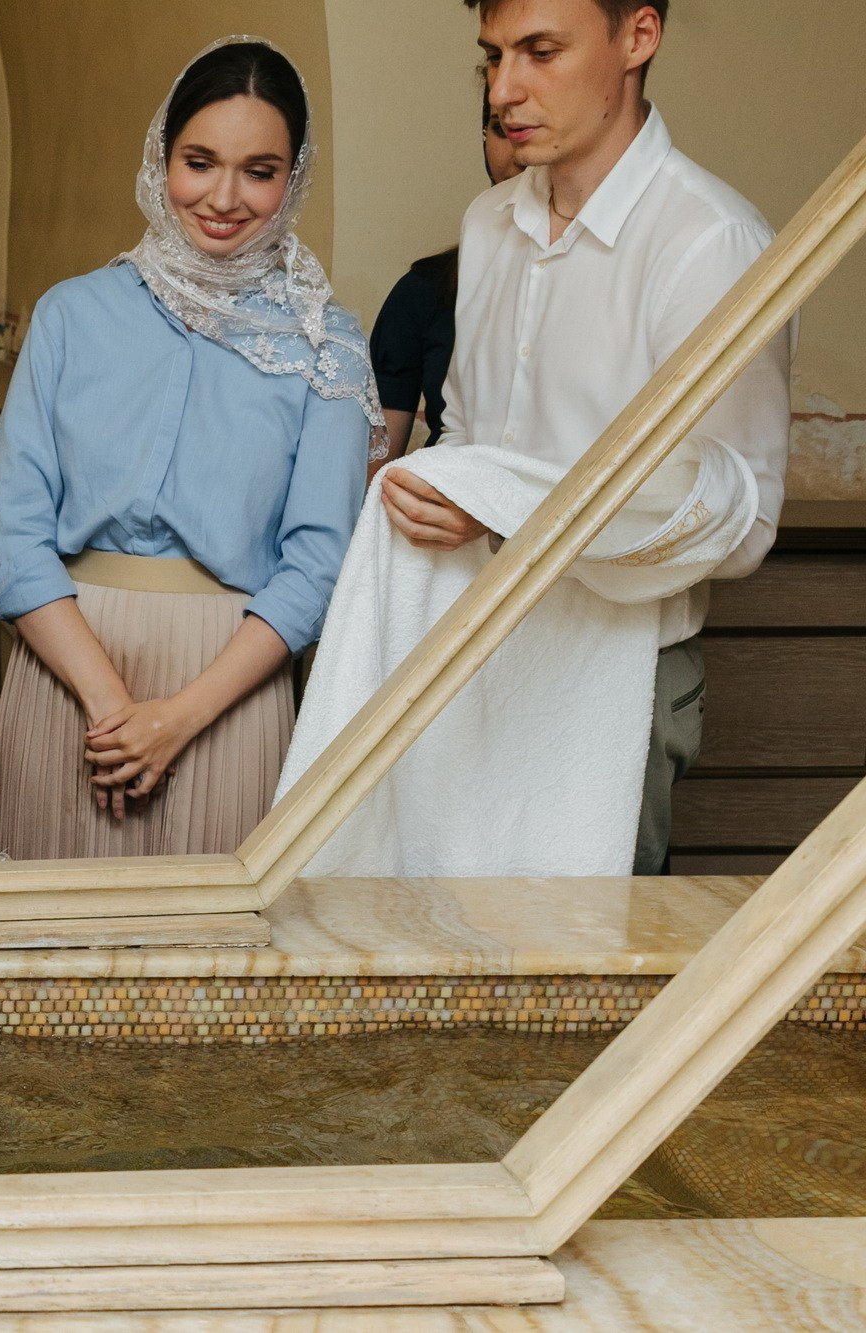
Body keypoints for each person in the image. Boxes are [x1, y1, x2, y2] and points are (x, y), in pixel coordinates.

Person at [285, 0, 789, 877]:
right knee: (434, 957)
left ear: (638, 37)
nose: (504, 90)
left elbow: (739, 517)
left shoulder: (712, 242)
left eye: (541, 51)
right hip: (470, 660)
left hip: (616, 681)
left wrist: (516, 511)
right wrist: (451, 487)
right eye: (492, 56)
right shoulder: (489, 227)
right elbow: (474, 434)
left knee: (579, 977)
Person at [0, 37, 380, 859]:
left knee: (211, 973)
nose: (224, 196)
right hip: (66, 673)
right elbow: (10, 536)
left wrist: (177, 718)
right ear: (162, 157)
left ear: (292, 181)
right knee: (39, 964)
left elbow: (317, 565)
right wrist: (112, 705)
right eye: (200, 161)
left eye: (259, 172)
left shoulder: (325, 345)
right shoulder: (71, 315)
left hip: (228, 694)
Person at [369, 93, 523, 461]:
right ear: (484, 138)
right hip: (447, 501)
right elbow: (376, 466)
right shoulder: (423, 291)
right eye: (502, 130)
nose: (519, 153)